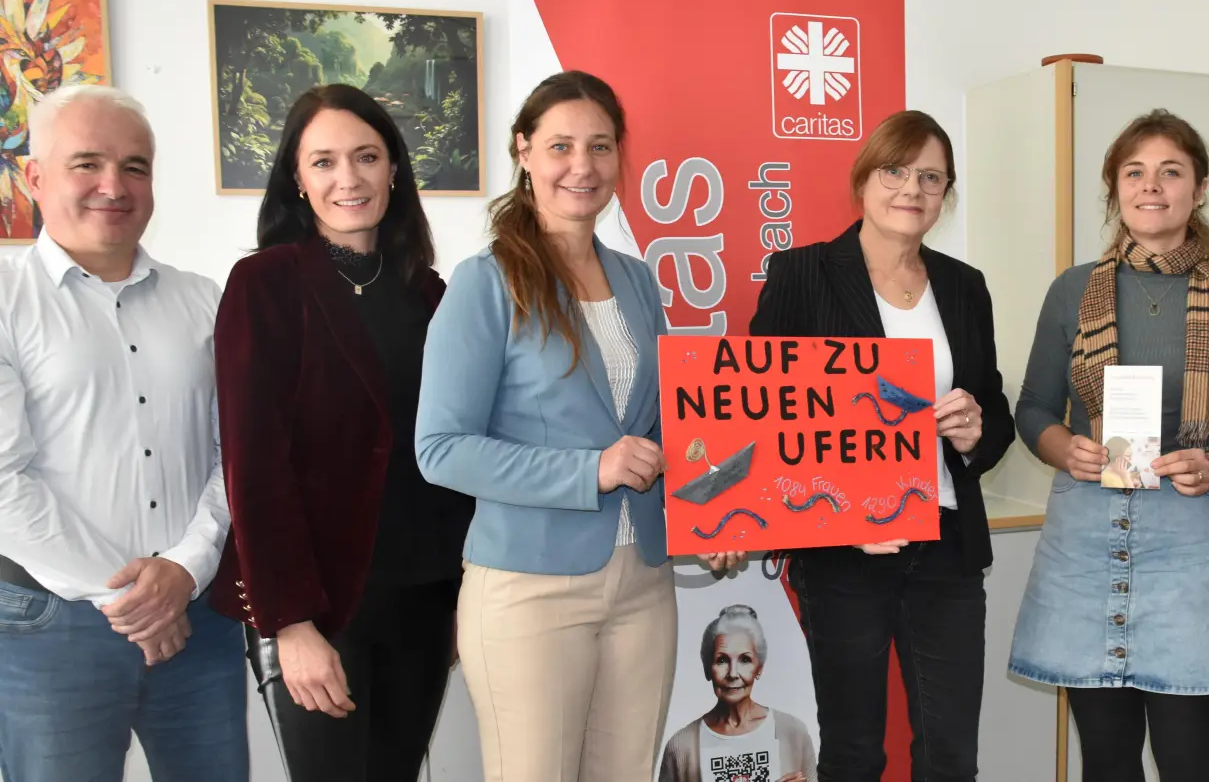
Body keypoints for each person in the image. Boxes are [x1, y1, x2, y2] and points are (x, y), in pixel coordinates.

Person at [415, 70, 743, 782]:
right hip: (528, 589)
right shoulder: (486, 281)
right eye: (561, 145)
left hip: (643, 587)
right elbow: (440, 450)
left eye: (599, 146)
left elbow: (671, 429)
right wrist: (587, 470)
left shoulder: (637, 279)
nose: (582, 166)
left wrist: (719, 512)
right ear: (523, 151)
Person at [1008, 109, 1209, 782]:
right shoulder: (1074, 290)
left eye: (1170, 172)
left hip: (1192, 545)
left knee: (1189, 761)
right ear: (1115, 188)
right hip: (1085, 540)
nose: (1151, 186)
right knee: (1105, 762)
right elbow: (1035, 407)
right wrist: (1061, 447)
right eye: (1135, 172)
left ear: (1199, 187)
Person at [209, 84, 473, 780]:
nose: (348, 178)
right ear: (297, 177)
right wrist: (291, 625)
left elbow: (453, 451)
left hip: (424, 598)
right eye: (323, 161)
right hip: (320, 609)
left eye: (366, 156)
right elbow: (253, 465)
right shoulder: (263, 284)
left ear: (395, 169)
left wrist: (461, 596)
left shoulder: (430, 293)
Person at [748, 109, 1015, 781]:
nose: (912, 189)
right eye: (895, 170)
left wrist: (977, 433)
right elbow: (763, 418)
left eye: (931, 177)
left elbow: (997, 413)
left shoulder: (963, 285)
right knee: (855, 751)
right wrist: (837, 514)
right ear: (864, 180)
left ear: (946, 193)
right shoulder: (803, 275)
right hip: (844, 555)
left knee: (951, 754)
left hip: (947, 550)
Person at [0, 85, 247, 781]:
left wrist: (184, 568)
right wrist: (132, 601)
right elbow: (1, 481)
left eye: (135, 166)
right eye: (88, 164)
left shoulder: (206, 300)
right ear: (36, 176)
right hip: (51, 626)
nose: (114, 185)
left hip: (197, 615)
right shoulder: (5, 299)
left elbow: (238, 454)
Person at [659, 605, 817, 782]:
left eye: (745, 660)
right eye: (722, 660)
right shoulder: (681, 746)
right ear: (707, 668)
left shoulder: (793, 732)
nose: (733, 673)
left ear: (759, 668)